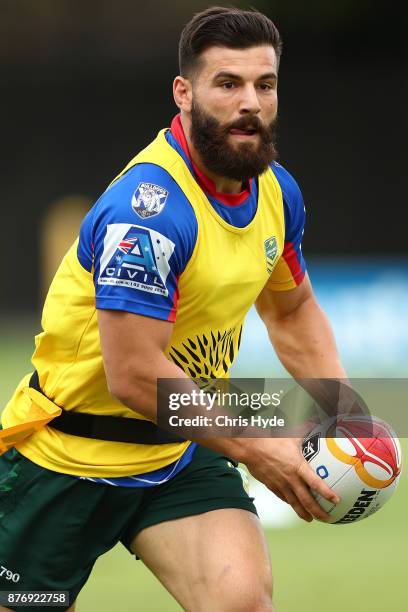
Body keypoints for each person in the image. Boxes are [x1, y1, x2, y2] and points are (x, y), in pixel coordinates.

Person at [0, 7, 346, 612]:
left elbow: (292, 312)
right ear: (184, 93)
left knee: (241, 603)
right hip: (67, 457)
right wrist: (259, 446)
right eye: (228, 83)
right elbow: (134, 375)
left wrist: (346, 409)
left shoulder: (276, 192)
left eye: (264, 85)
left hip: (180, 446)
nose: (251, 104)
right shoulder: (150, 211)